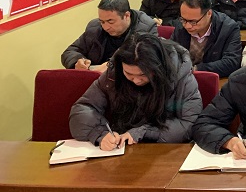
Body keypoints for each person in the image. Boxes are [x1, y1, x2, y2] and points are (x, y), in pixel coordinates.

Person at [69, 33, 202, 148]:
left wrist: (144, 132)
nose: (136, 81)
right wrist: (100, 134)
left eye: (143, 75)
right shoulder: (114, 74)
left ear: (158, 68)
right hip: (122, 147)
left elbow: (189, 123)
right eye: (129, 74)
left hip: (164, 149)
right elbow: (84, 107)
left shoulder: (181, 77)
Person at [62, 0, 156, 72]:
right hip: (96, 79)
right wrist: (78, 61)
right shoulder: (95, 27)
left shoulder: (146, 29)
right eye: (102, 21)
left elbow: (146, 62)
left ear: (127, 16)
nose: (106, 27)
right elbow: (70, 51)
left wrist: (111, 66)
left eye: (110, 21)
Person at [170, 0, 242, 77]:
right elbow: (171, 53)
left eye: (193, 22)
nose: (187, 26)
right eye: (183, 20)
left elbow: (232, 62)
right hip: (184, 78)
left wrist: (196, 69)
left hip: (212, 78)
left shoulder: (228, 28)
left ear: (209, 13)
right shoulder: (180, 25)